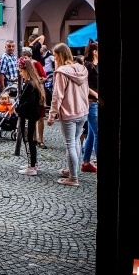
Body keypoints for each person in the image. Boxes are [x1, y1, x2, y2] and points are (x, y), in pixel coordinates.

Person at [46, 43, 89, 187]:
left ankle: (73, 177)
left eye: (55, 55)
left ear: (60, 55)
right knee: (76, 141)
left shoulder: (61, 72)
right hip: (82, 111)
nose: (53, 58)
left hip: (69, 112)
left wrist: (52, 114)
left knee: (70, 143)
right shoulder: (82, 68)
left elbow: (57, 95)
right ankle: (73, 170)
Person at [14, 56, 46, 176]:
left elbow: (28, 103)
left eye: (21, 71)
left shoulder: (30, 84)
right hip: (30, 115)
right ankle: (32, 163)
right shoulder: (33, 83)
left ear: (26, 70)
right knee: (30, 140)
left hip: (27, 116)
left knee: (28, 140)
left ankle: (32, 167)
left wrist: (18, 109)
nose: (20, 74)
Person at [81, 40, 99, 173]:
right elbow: (84, 85)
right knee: (98, 132)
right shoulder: (88, 65)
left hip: (97, 102)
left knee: (92, 133)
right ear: (95, 52)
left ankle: (86, 162)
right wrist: (97, 94)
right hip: (91, 102)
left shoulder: (97, 65)